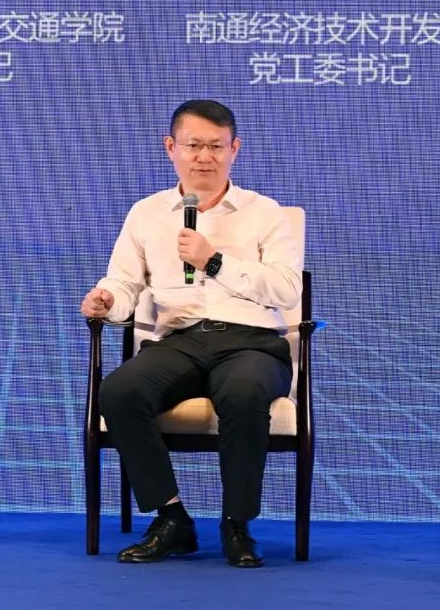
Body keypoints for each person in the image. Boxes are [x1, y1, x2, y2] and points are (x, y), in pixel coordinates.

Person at [80, 99, 301, 568]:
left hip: (252, 343)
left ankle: (237, 524)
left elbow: (286, 289)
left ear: (234, 149)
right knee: (119, 391)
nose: (204, 156)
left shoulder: (265, 213)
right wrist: (106, 300)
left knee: (244, 392)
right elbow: (124, 282)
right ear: (171, 148)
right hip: (180, 341)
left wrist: (213, 261)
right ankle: (172, 518)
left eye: (216, 146)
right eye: (193, 145)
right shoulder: (147, 213)